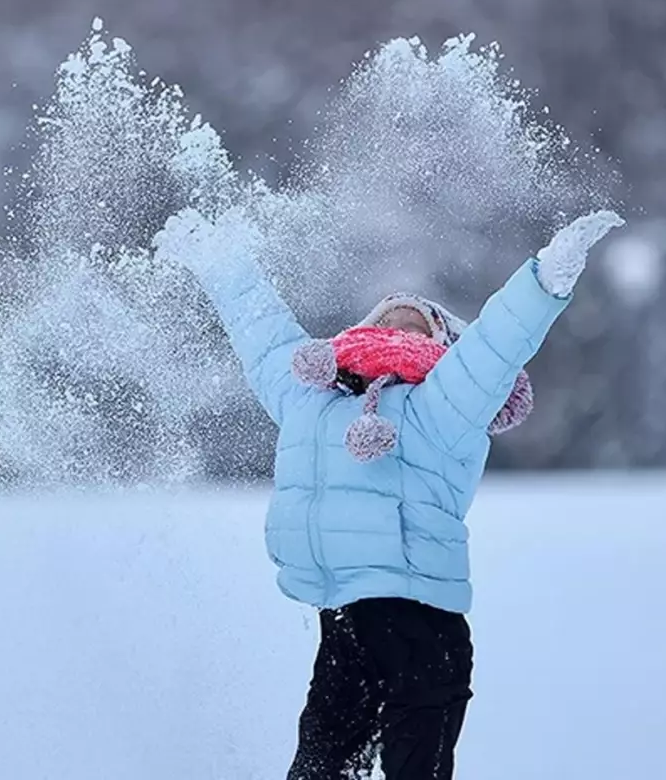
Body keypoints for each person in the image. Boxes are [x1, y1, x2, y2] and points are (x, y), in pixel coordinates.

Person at [153, 207, 623, 779]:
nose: (398, 333)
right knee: (320, 766)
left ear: (445, 347)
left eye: (416, 327)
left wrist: (546, 277)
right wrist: (220, 261)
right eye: (386, 323)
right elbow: (264, 333)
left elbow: (495, 346)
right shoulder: (313, 401)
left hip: (423, 625)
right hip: (346, 623)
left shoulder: (444, 405)